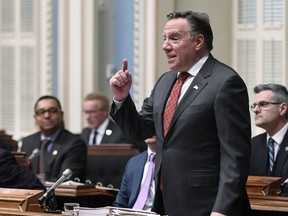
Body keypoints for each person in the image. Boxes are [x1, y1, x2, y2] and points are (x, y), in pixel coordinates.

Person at [109, 10, 251, 216]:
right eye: (164, 39)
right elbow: (140, 131)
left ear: (198, 41)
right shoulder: (165, 81)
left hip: (206, 205)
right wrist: (122, 98)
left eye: (174, 38)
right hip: (165, 202)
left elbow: (235, 156)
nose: (165, 46)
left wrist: (222, 209)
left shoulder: (225, 82)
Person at [21, 95, 87, 182]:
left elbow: (65, 181)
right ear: (35, 118)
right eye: (41, 112)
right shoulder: (27, 142)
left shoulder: (75, 144)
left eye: (53, 111)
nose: (47, 115)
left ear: (61, 114)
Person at [80, 92, 145, 152]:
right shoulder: (85, 133)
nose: (87, 117)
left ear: (105, 111)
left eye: (92, 112)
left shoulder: (121, 132)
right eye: (86, 112)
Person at [250, 83, 288, 181]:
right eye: (254, 105)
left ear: (283, 108)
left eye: (263, 104)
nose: (255, 110)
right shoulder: (252, 145)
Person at [113, 136, 156, 210]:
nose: (150, 130)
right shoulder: (133, 162)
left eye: (154, 125)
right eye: (147, 125)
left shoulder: (174, 163)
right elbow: (120, 203)